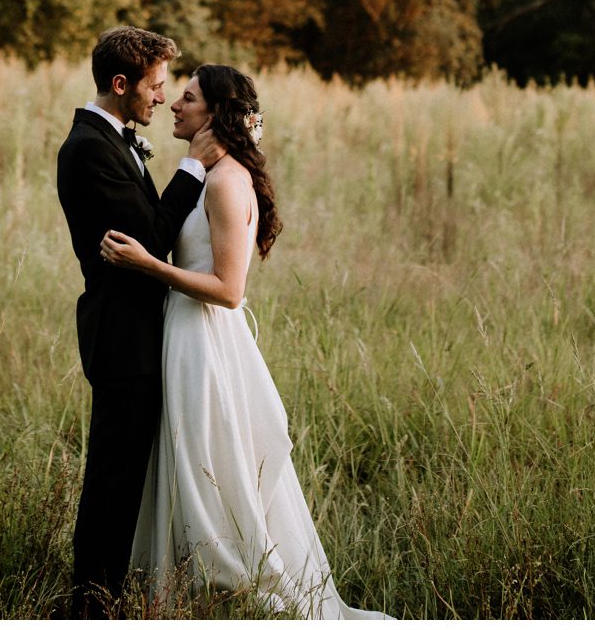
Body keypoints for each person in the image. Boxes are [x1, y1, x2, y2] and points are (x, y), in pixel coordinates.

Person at [101, 64, 387, 619]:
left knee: (204, 467)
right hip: (182, 335)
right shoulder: (209, 174)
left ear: (214, 114)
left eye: (187, 98)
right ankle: (176, 596)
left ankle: (227, 587)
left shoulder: (228, 182)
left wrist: (146, 264)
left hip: (203, 341)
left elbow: (229, 291)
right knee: (186, 464)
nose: (174, 105)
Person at [55, 26, 225, 618]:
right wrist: (193, 167)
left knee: (128, 475)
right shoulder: (87, 149)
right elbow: (148, 238)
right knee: (113, 476)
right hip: (121, 333)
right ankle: (89, 606)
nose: (161, 98)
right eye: (154, 87)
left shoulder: (116, 139)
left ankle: (108, 593)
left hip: (143, 331)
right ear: (121, 84)